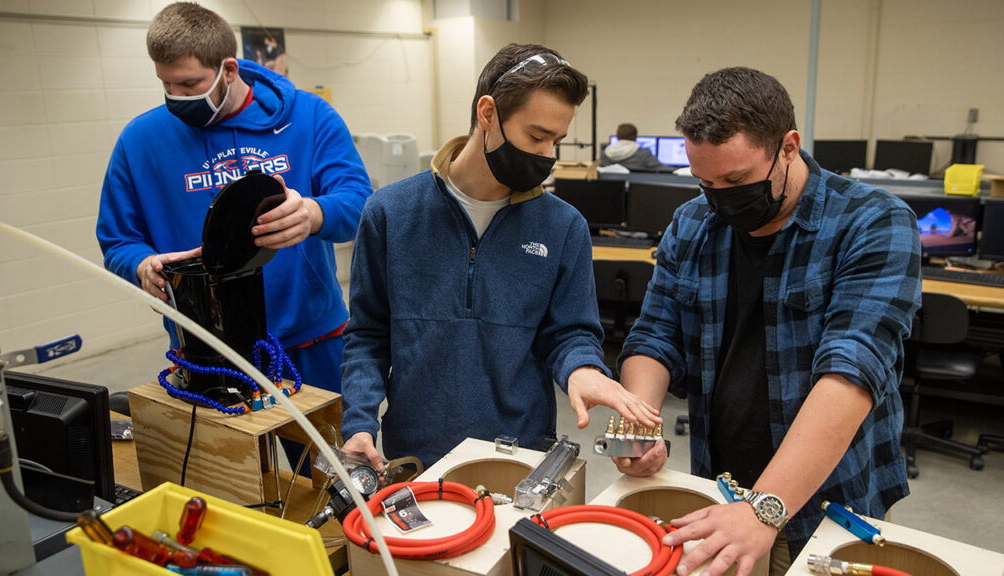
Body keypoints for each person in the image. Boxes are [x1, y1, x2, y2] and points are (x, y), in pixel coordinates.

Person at [615, 67, 920, 575]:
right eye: (705, 181)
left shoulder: (873, 221)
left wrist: (766, 507)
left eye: (736, 180)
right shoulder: (693, 221)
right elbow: (655, 333)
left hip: (829, 496)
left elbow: (852, 370)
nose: (720, 197)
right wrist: (638, 422)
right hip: (721, 481)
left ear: (788, 146)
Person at [340, 44, 661, 469]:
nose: (548, 155)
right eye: (537, 136)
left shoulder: (563, 227)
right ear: (487, 113)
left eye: (557, 140)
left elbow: (571, 333)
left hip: (520, 456)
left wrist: (582, 368)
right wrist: (359, 422)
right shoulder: (390, 213)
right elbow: (368, 334)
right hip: (416, 455)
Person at [96, 2, 372, 397]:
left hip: (310, 338)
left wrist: (314, 213)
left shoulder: (310, 117)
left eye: (190, 85)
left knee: (323, 459)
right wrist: (141, 265)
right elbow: (118, 240)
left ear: (228, 69)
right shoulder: (140, 141)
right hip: (205, 348)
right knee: (225, 461)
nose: (176, 97)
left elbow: (361, 203)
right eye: (166, 84)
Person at [599, 123, 669, 172]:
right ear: (635, 136)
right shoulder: (643, 154)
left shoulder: (605, 153)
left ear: (617, 136)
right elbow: (661, 168)